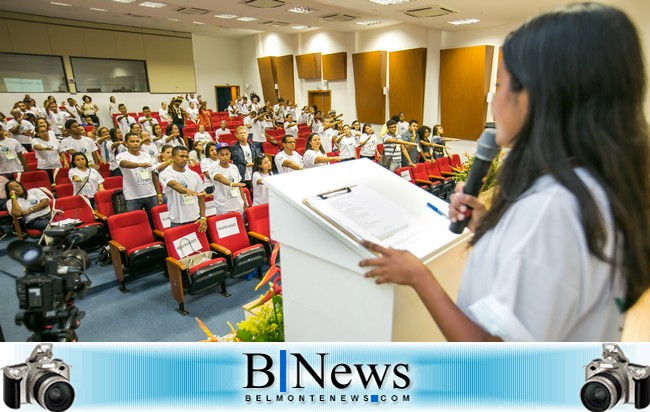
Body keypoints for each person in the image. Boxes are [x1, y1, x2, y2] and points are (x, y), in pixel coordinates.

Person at [360, 3, 650, 342]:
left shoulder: (551, 209)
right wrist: (490, 225)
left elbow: (495, 357)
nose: (494, 100)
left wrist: (419, 276)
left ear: (533, 97)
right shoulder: (598, 184)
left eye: (499, 85)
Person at [117, 132, 162, 225]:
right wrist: (139, 165)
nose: (135, 143)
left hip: (150, 194)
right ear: (126, 143)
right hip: (133, 196)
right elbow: (124, 164)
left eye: (137, 141)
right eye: (132, 141)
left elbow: (153, 175)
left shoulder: (146, 155)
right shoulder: (122, 156)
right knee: (135, 223)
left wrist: (159, 194)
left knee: (155, 222)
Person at [159, 146, 207, 230]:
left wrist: (203, 217)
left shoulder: (194, 175)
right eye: (181, 156)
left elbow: (201, 197)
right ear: (173, 158)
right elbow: (173, 184)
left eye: (186, 156)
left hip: (196, 219)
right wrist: (187, 191)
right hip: (177, 222)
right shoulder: (165, 174)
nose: (185, 159)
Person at [207, 143, 247, 215]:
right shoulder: (213, 169)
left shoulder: (234, 167)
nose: (225, 157)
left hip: (238, 206)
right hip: (223, 208)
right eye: (222, 155)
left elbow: (239, 187)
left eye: (227, 154)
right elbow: (219, 177)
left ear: (230, 154)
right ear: (217, 155)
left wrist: (245, 203)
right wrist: (231, 184)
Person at [230, 125, 260, 192]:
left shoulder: (252, 146)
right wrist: (247, 163)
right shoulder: (234, 147)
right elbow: (238, 158)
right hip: (241, 174)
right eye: (240, 133)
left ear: (247, 134)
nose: (243, 135)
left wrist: (256, 164)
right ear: (236, 135)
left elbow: (256, 157)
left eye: (244, 133)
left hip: (252, 173)